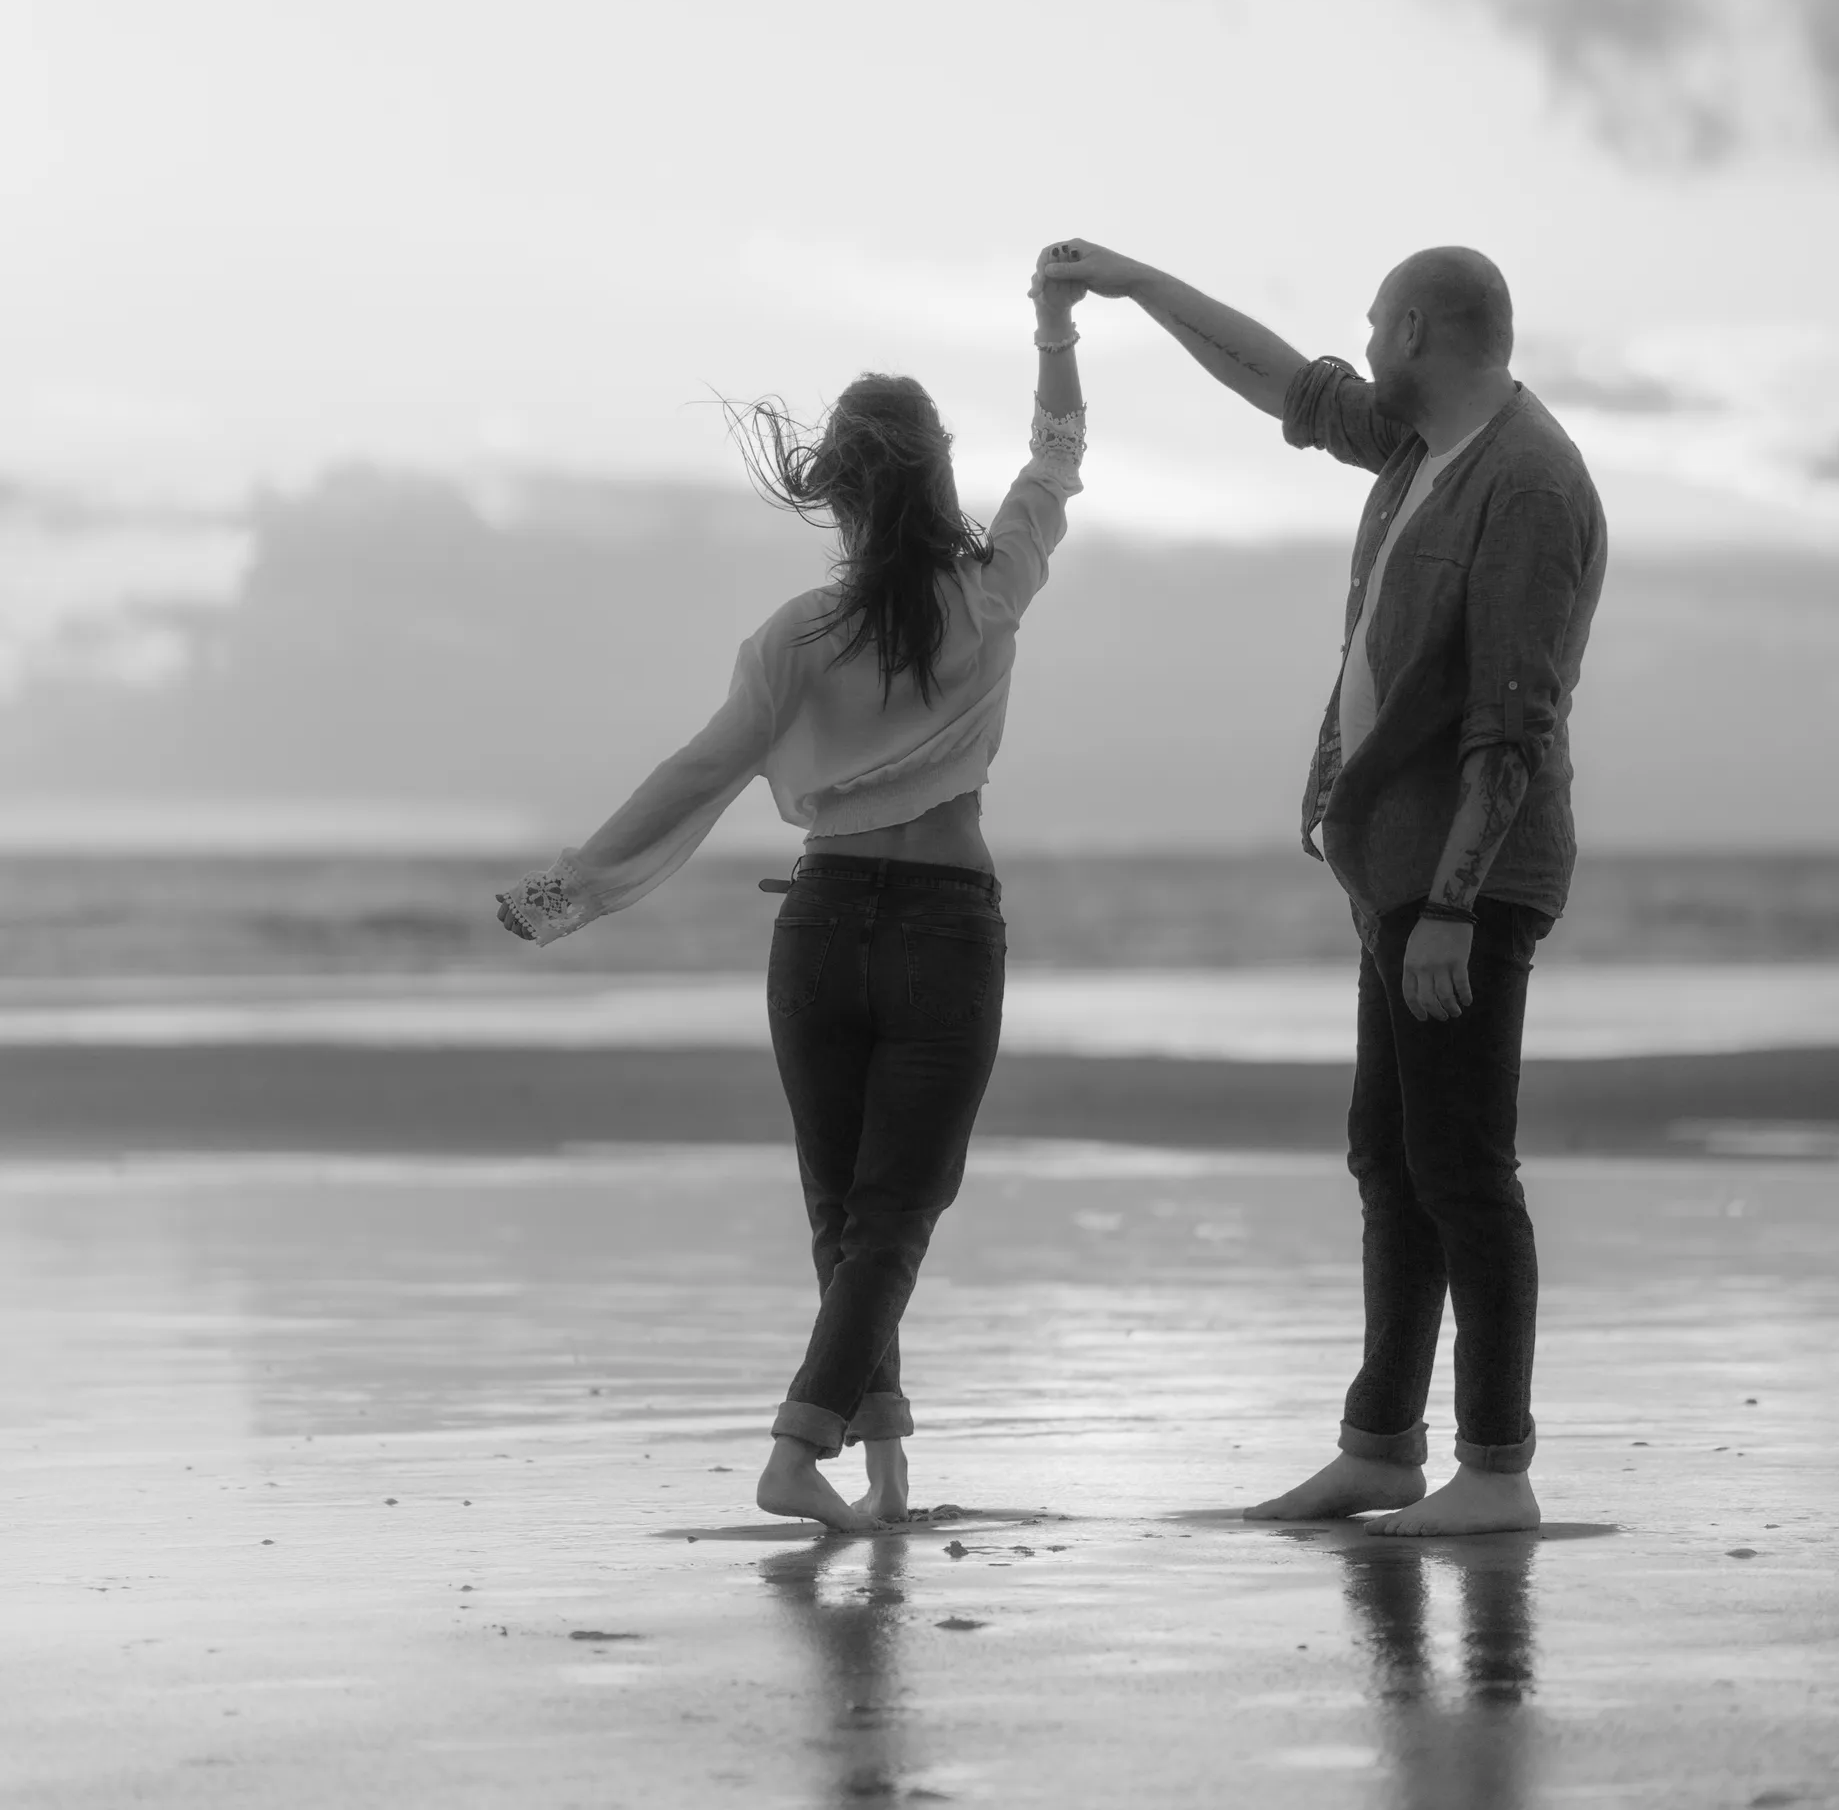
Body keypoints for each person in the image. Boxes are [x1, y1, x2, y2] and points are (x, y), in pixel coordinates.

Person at [495, 256, 1087, 1534]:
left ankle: (880, 1472)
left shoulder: (794, 637)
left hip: (815, 930)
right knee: (896, 1214)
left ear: (840, 486)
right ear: (936, 471)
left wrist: (572, 885)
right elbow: (1058, 449)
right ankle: (798, 1447)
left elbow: (698, 771)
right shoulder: (993, 592)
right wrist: (1050, 326)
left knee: (846, 1214)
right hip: (940, 928)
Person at [1040, 237, 1605, 1535]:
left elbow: (1514, 719)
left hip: (1471, 872)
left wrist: (1457, 903)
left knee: (1462, 1162)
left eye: (1372, 322)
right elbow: (1284, 385)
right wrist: (1136, 285)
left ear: (1414, 331)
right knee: (1390, 1155)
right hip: (1397, 864)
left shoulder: (1525, 481)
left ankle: (1499, 1468)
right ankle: (1383, 1447)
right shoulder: (1421, 449)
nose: (1358, 343)